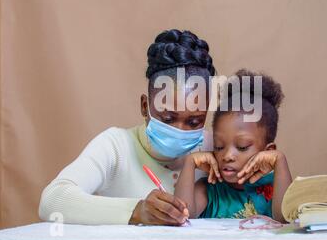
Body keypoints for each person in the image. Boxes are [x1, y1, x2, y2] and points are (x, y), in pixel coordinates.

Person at [39, 29, 216, 225]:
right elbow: (52, 200)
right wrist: (136, 210)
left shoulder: (215, 148)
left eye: (194, 122)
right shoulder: (116, 146)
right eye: (167, 118)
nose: (180, 130)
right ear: (144, 106)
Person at [174, 70, 292, 222]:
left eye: (242, 147)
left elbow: (285, 219)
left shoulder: (275, 186)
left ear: (268, 151)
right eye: (219, 146)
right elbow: (181, 214)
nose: (227, 156)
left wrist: (279, 161)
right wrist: (190, 163)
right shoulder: (210, 189)